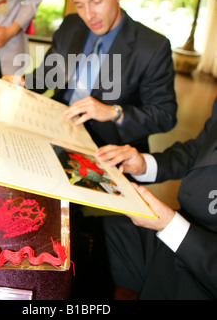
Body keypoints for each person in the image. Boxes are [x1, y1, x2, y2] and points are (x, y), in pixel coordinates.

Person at [5, 0, 177, 151]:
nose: (88, 15)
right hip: (56, 126)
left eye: (96, 1)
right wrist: (24, 83)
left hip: (109, 147)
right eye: (80, 5)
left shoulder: (152, 47)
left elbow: (165, 115)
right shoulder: (71, 25)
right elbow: (48, 76)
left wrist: (114, 112)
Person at [90, 96, 217, 299]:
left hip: (202, 269)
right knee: (83, 237)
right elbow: (199, 149)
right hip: (179, 228)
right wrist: (145, 164)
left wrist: (170, 226)